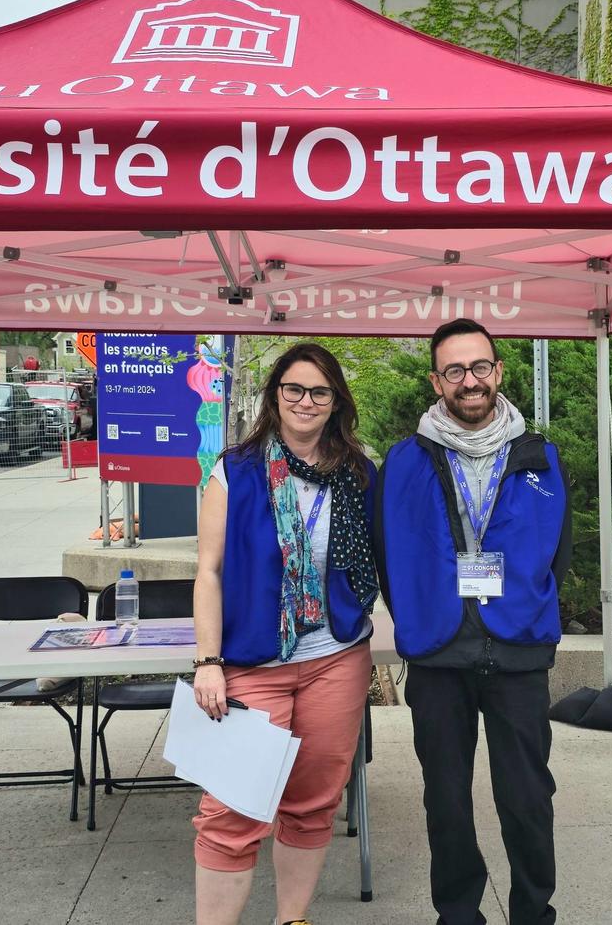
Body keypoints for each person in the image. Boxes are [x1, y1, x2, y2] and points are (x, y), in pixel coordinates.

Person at [375, 318, 572, 925]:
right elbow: (388, 555)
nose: (470, 380)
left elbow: (559, 552)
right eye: (455, 370)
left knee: (527, 798)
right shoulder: (403, 461)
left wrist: (525, 607)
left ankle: (534, 914)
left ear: (499, 372)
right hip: (439, 653)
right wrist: (418, 616)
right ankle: (458, 915)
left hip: (517, 650)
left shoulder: (539, 456)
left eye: (479, 366)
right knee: (447, 803)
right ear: (437, 382)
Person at [191, 342, 380, 925]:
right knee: (231, 811)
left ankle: (291, 919)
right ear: (275, 396)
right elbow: (208, 572)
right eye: (294, 389)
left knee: (312, 804)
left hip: (336, 658)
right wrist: (208, 662)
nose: (306, 401)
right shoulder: (235, 471)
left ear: (336, 402)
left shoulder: (358, 473)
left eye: (320, 392)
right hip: (253, 664)